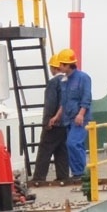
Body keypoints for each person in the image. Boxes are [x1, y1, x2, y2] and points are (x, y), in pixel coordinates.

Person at [31, 54, 69, 184]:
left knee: (45, 149)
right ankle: (63, 176)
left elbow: (50, 103)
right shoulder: (67, 81)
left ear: (54, 67)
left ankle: (39, 178)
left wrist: (47, 120)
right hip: (66, 123)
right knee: (61, 150)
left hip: (54, 122)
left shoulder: (53, 83)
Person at [57, 47, 92, 179]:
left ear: (68, 65)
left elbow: (86, 97)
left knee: (73, 143)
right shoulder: (64, 80)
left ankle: (81, 172)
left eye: (61, 64)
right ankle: (77, 173)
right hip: (68, 118)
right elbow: (64, 101)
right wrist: (57, 116)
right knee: (76, 145)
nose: (59, 67)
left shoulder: (83, 78)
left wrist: (81, 114)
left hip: (80, 118)